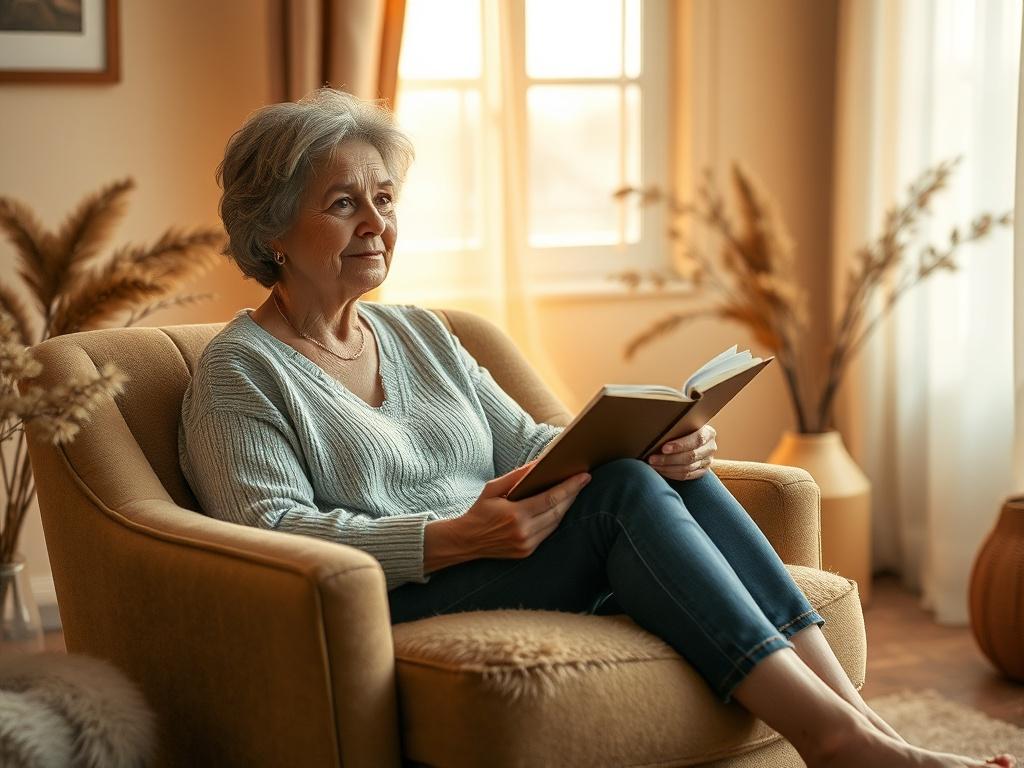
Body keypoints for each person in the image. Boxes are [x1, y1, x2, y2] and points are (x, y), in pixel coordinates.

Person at [178, 88, 1014, 768]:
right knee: (618, 492)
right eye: (342, 203)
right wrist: (453, 537)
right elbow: (272, 534)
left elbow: (534, 444)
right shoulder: (237, 372)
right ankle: (836, 744)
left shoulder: (425, 334)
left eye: (385, 199)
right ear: (272, 231)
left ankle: (865, 729)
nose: (376, 223)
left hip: (504, 553)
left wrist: (662, 444)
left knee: (651, 472)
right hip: (391, 600)